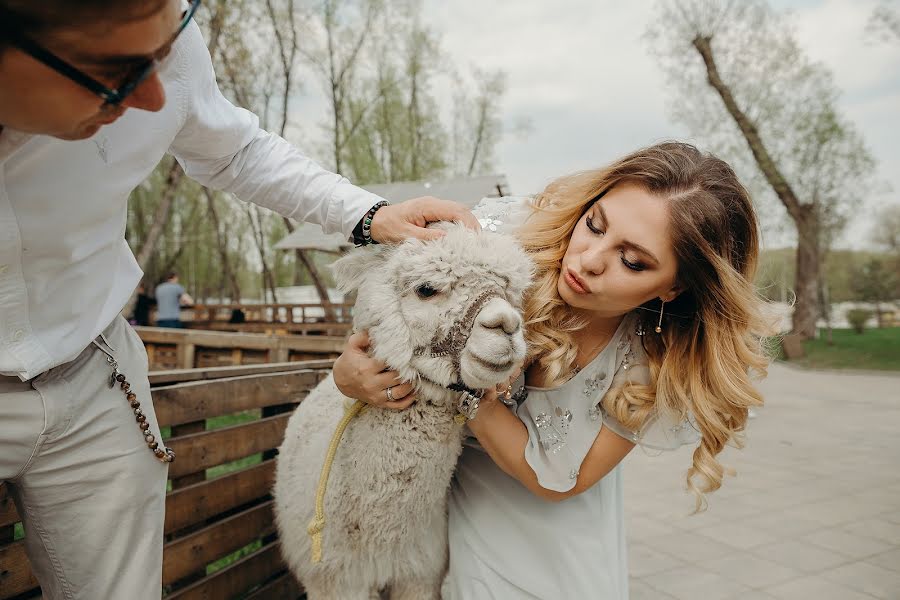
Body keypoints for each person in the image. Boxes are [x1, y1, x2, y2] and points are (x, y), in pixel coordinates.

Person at [0, 1, 477, 599]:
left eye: (163, 52)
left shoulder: (158, 34)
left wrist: (367, 213)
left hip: (92, 365)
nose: (154, 101)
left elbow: (230, 147)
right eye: (116, 74)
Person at [333, 142, 773, 599]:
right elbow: (395, 312)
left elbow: (562, 482)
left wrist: (463, 385)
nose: (589, 259)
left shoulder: (653, 363)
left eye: (632, 261)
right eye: (594, 225)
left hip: (559, 550)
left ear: (674, 287)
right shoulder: (499, 256)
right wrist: (348, 375)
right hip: (441, 521)